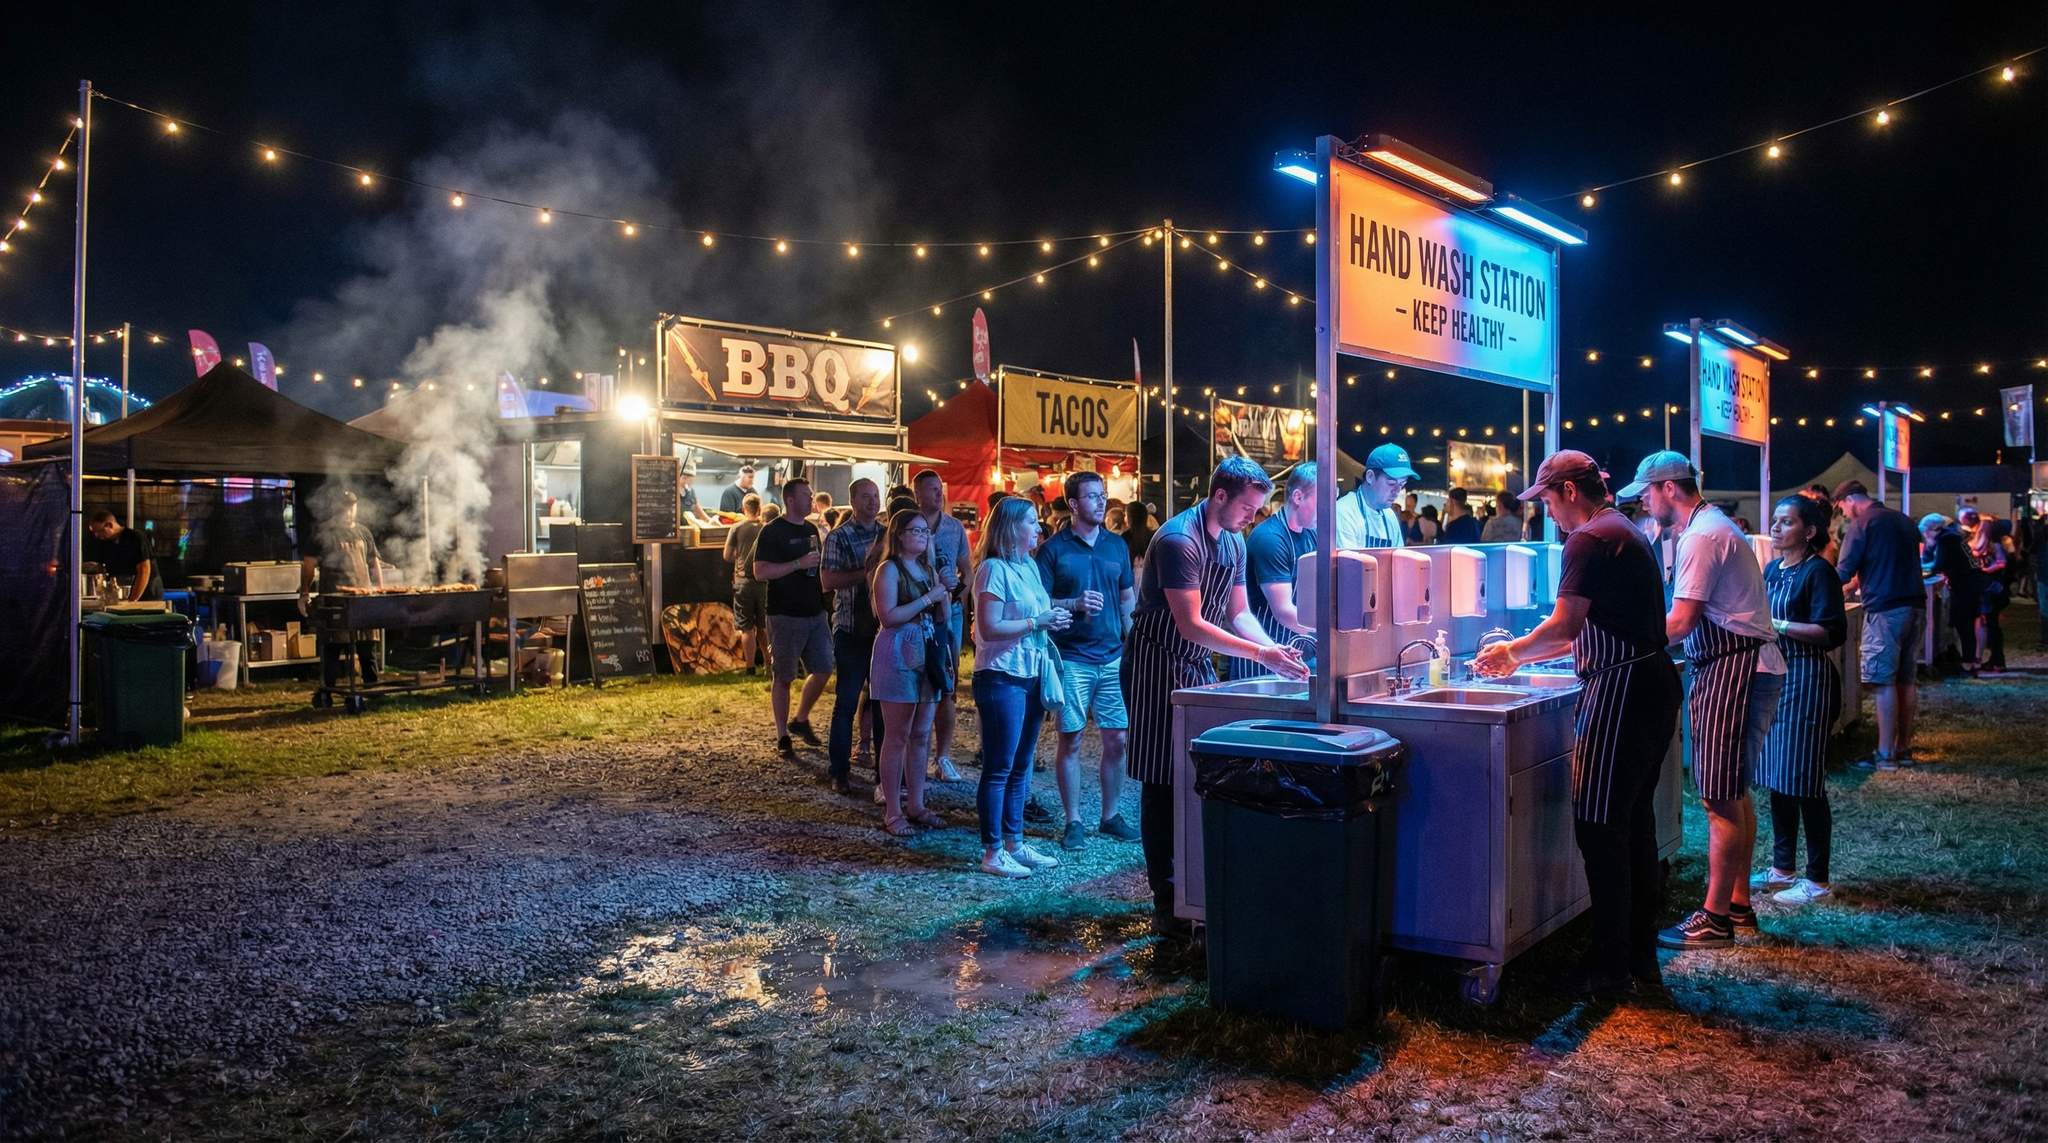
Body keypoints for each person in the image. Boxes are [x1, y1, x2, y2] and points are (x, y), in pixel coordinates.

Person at [1474, 451, 1681, 996]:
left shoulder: (1588, 539)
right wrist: (1522, 653)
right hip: (1650, 684)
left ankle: (1609, 967)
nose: (1548, 513)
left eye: (1546, 499)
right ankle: (1637, 957)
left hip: (1624, 690)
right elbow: (1572, 636)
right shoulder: (1623, 530)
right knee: (1633, 824)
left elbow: (1565, 623)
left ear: (1568, 490)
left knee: (1599, 826)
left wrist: (1513, 652)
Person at [1124, 458, 1308, 934]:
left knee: (1198, 769)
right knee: (1161, 776)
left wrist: (1271, 648)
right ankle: (1165, 898)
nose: (1253, 517)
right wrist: (1260, 655)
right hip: (1155, 662)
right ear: (1220, 496)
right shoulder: (1177, 540)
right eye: (1249, 508)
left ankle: (1195, 884)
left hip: (1197, 663)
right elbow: (1191, 623)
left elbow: (1239, 612)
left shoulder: (1233, 541)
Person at [1623, 452, 1785, 951]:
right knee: (1734, 791)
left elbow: (1680, 623)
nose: (1646, 506)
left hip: (1735, 669)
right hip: (1750, 666)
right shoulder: (1711, 527)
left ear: (1670, 488)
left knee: (1718, 797)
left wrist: (1617, 647)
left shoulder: (1701, 536)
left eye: (1647, 495)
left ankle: (1714, 920)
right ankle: (1737, 905)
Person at [1034, 471, 1139, 851]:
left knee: (1117, 739)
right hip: (1073, 658)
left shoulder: (1116, 547)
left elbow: (1127, 599)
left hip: (1112, 657)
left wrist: (1134, 644)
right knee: (1072, 739)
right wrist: (1074, 603)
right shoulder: (1053, 550)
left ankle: (1110, 815)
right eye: (1093, 496)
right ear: (1074, 504)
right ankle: (1073, 820)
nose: (1101, 501)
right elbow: (1039, 602)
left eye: (1103, 495)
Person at [1751, 495, 1848, 907]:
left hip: (1808, 679)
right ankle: (1782, 866)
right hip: (1777, 679)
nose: (1775, 528)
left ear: (1809, 531)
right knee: (1778, 776)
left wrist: (1780, 624)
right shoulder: (1772, 570)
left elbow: (1832, 632)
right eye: (1774, 521)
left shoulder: (1818, 573)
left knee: (1805, 780)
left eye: (1786, 522)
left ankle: (1818, 878)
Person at [971, 496, 1070, 878]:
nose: (1038, 528)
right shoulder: (992, 570)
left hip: (1030, 673)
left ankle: (1015, 842)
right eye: (1031, 521)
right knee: (999, 766)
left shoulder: (1028, 565)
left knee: (1022, 763)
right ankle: (992, 850)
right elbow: (989, 627)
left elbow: (1034, 612)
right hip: (1001, 674)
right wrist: (1037, 622)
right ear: (1011, 527)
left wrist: (1052, 618)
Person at [1833, 480, 1927, 770]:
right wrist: (1853, 588)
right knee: (1905, 679)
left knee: (1881, 680)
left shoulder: (1862, 524)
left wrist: (1818, 589)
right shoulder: (1902, 519)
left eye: (1842, 509)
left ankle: (1885, 755)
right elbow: (1887, 563)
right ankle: (1904, 748)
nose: (1844, 516)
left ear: (1849, 500)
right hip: (1915, 606)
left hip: (1886, 610)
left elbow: (1844, 569)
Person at [868, 508, 951, 836]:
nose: (921, 536)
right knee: (897, 735)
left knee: (921, 735)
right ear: (898, 535)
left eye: (924, 532)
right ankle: (893, 811)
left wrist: (944, 593)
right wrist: (929, 597)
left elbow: (942, 616)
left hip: (927, 653)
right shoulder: (888, 570)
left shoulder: (929, 570)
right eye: (914, 531)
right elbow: (888, 616)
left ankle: (916, 804)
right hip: (899, 653)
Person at [752, 477, 832, 760]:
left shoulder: (811, 529)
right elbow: (760, 571)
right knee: (784, 676)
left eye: (811, 494)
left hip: (815, 611)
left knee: (823, 667)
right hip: (784, 613)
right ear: (790, 500)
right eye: (806, 495)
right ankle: (782, 734)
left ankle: (800, 719)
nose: (811, 499)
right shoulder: (772, 531)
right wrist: (797, 564)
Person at [821, 479, 887, 795]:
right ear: (853, 500)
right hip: (850, 629)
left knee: (884, 704)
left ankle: (884, 774)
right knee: (846, 702)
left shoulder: (887, 534)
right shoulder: (839, 536)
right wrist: (870, 572)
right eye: (866, 497)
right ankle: (839, 771)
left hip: (882, 629)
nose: (873, 502)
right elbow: (828, 579)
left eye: (876, 496)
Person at [1227, 461, 1317, 679]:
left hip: (1296, 653)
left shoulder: (1312, 535)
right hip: (1261, 659)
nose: (1330, 510)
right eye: (1323, 501)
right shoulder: (1270, 539)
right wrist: (1329, 632)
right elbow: (1284, 611)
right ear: (1298, 497)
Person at [912, 469, 970, 783]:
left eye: (940, 489)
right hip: (915, 614)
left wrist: (960, 594)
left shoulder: (954, 527)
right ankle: (913, 755)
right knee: (914, 683)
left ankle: (943, 756)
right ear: (917, 493)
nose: (939, 494)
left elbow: (967, 570)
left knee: (947, 683)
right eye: (932, 489)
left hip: (950, 612)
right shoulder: (908, 525)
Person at [295, 490, 381, 688]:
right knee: (333, 647)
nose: (348, 511)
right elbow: (308, 565)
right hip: (334, 601)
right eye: (344, 507)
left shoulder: (364, 533)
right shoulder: (322, 534)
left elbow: (374, 563)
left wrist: (380, 590)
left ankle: (373, 689)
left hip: (363, 599)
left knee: (367, 647)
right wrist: (304, 594)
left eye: (351, 507)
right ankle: (328, 690)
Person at [1921, 512, 1976, 672]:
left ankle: (1967, 661)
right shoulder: (1954, 537)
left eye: (1925, 531)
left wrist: (1921, 567)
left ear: (1932, 529)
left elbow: (1939, 564)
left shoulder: (1947, 540)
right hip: (1968, 584)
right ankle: (1967, 658)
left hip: (1964, 586)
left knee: (1963, 623)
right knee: (1963, 623)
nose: (1924, 535)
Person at [1333, 442, 1415, 549]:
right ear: (1370, 477)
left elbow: (1400, 560)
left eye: (1402, 484)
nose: (1397, 490)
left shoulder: (1390, 516)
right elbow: (1350, 564)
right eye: (1391, 483)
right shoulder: (1344, 512)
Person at [723, 493, 768, 674]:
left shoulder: (736, 528)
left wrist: (739, 556)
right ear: (760, 508)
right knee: (764, 627)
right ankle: (768, 665)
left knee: (747, 627)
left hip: (743, 581)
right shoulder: (766, 528)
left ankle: (750, 667)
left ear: (744, 509)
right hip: (764, 582)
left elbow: (727, 555)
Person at [1960, 507, 2009, 672]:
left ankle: (1996, 660)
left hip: (1990, 587)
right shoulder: (1990, 544)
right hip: (1990, 587)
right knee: (1988, 623)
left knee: (1991, 624)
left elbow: (2001, 563)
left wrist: (1985, 570)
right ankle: (1993, 659)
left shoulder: (1993, 545)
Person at [83, 509, 161, 601]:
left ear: (110, 525)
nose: (97, 536)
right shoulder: (105, 544)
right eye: (94, 533)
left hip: (146, 593)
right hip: (121, 594)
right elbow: (103, 569)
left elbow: (144, 570)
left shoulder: (135, 538)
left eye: (99, 531)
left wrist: (132, 600)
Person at [1122, 501, 1156, 572]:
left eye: (1125, 515)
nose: (1124, 519)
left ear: (1130, 517)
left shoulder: (1124, 538)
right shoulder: (1153, 537)